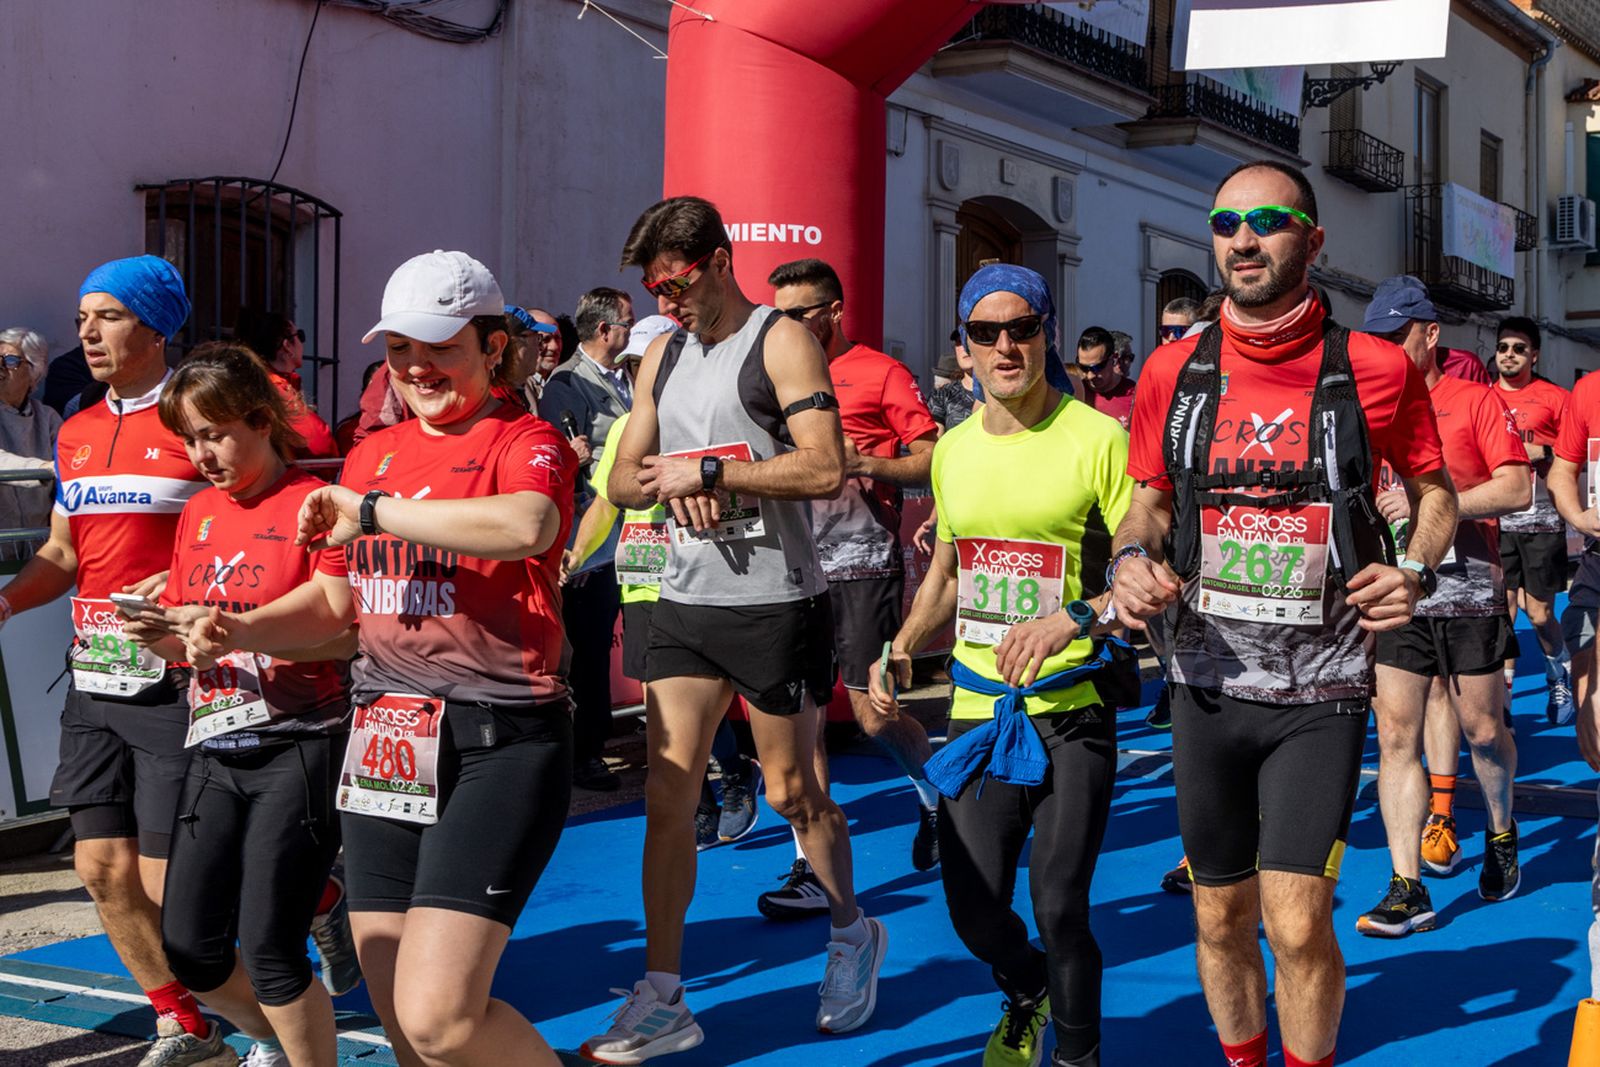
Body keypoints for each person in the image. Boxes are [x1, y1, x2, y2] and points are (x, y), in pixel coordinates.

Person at [179, 250, 578, 1067]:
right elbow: (334, 604)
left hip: (498, 738)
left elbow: (528, 527)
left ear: (493, 345)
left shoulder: (523, 437)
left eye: (439, 346)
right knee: (403, 1021)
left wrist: (374, 510)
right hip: (386, 734)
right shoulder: (372, 451)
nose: (417, 366)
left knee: (439, 1017)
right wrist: (237, 627)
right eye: (400, 347)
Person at [1110, 161, 1454, 1067]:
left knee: (1296, 921)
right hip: (1203, 680)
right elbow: (1146, 498)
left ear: (1313, 239)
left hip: (1323, 685)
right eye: (1226, 223)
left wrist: (1414, 568)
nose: (1244, 240)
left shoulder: (1375, 368)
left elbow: (1436, 493)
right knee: (1221, 913)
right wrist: (1130, 554)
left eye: (1266, 221)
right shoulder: (1172, 369)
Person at [584, 196, 884, 1061]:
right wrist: (670, 477)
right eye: (652, 287)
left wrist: (719, 468)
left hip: (774, 600)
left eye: (676, 283)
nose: (665, 302)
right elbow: (628, 483)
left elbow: (826, 465)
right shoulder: (663, 356)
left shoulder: (781, 340)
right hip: (684, 599)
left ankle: (850, 929)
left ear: (718, 260)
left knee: (793, 793)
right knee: (666, 792)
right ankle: (664, 991)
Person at [869, 262, 1130, 1067]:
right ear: (964, 347)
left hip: (1072, 702)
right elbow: (948, 569)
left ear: (1047, 334)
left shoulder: (1097, 438)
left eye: (1022, 329)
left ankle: (1077, 1057)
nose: (1005, 346)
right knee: (975, 911)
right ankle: (1026, 989)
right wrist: (905, 642)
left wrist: (1075, 616)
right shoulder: (952, 450)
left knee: (1059, 905)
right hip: (980, 713)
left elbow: (1139, 567)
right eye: (987, 333)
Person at [0, 257, 224, 1066]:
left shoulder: (198, 420)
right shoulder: (77, 429)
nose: (88, 332)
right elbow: (63, 551)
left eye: (111, 315)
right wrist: (5, 600)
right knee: (100, 866)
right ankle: (183, 1020)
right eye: (83, 316)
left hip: (179, 677)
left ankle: (318, 895)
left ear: (157, 325)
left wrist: (188, 584)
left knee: (174, 887)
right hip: (95, 675)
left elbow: (246, 522)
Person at [117, 343, 357, 1067]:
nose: (203, 453)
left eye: (215, 433)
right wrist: (153, 634)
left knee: (273, 946)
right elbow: (191, 650)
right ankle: (275, 1044)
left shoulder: (310, 504)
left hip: (302, 739)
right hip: (215, 743)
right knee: (189, 948)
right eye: (190, 438)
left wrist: (236, 630)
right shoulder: (196, 514)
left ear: (260, 420)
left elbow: (343, 633)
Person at [1355, 277, 1528, 939]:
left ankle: (1501, 830)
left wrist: (1438, 501)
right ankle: (1407, 885)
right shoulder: (1369, 409)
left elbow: (1515, 486)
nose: (1389, 348)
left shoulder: (1475, 400)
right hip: (1397, 594)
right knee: (1396, 736)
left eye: (1399, 335)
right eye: (1379, 338)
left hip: (1469, 592)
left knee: (1483, 732)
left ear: (1430, 333)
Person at [766, 256, 941, 909]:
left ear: (833, 311)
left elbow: (931, 452)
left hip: (863, 561)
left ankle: (935, 794)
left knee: (872, 714)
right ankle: (808, 866)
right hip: (789, 569)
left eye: (796, 314)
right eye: (774, 314)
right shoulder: (770, 376)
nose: (780, 327)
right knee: (800, 718)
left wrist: (865, 460)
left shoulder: (879, 372)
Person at [573, 404, 764, 851]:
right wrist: (578, 554)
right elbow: (606, 501)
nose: (646, 377)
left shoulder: (705, 413)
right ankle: (700, 807)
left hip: (703, 576)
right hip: (642, 580)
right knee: (658, 707)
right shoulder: (626, 425)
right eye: (637, 369)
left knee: (702, 698)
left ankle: (735, 771)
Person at [541, 288, 636, 792]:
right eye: (628, 321)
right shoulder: (567, 383)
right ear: (604, 331)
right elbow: (564, 467)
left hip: (632, 538)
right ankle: (585, 754)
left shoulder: (625, 378)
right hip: (589, 543)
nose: (632, 329)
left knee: (621, 644)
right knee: (589, 652)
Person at [1545, 368, 1600, 1017]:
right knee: (1592, 737)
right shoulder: (1589, 391)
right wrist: (1581, 515)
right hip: (1595, 576)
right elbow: (1562, 470)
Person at [1492, 316, 1573, 724]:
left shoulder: (1556, 398)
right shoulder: (1482, 397)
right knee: (1502, 609)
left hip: (1541, 521)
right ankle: (1503, 696)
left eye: (1519, 348)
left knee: (1539, 613)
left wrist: (1544, 451)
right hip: (1496, 523)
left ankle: (1560, 672)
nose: (1509, 354)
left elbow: (1572, 452)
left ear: (1534, 355)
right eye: (1504, 347)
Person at [235, 308, 338, 459]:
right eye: (300, 336)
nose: (302, 343)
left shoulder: (251, 382)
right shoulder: (273, 389)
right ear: (287, 346)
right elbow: (320, 447)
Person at [0, 327, 64, 554]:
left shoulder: (47, 418)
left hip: (39, 550)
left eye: (9, 360)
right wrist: (44, 468)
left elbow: (68, 458)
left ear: (34, 372)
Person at [1074, 327, 1136, 431]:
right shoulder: (1075, 392)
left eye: (1097, 367)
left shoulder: (1135, 395)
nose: (1090, 375)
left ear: (1114, 358)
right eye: (1084, 367)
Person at [504, 305, 563, 411]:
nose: (555, 347)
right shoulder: (496, 396)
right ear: (514, 343)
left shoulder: (519, 388)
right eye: (541, 338)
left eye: (558, 338)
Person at [928, 329, 977, 432]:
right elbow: (934, 443)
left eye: (969, 340)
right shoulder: (942, 395)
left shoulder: (1003, 391)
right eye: (959, 342)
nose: (964, 347)